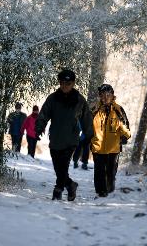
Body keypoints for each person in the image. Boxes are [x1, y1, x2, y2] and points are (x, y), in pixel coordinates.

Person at [35, 69, 93, 201]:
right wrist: (39, 127)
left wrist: (89, 135)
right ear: (60, 83)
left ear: (73, 84)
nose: (65, 86)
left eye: (68, 83)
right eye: (62, 83)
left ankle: (58, 189)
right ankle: (71, 185)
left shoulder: (79, 100)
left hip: (71, 140)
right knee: (58, 167)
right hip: (55, 138)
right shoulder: (53, 98)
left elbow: (87, 118)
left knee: (63, 165)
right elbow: (44, 114)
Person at [91, 84, 131, 197]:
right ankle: (100, 192)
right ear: (99, 96)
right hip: (97, 146)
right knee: (99, 171)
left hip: (113, 148)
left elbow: (125, 125)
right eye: (102, 95)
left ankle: (109, 189)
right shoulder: (94, 108)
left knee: (111, 172)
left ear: (112, 95)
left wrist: (125, 136)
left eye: (108, 94)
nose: (105, 97)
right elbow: (86, 124)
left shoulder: (118, 109)